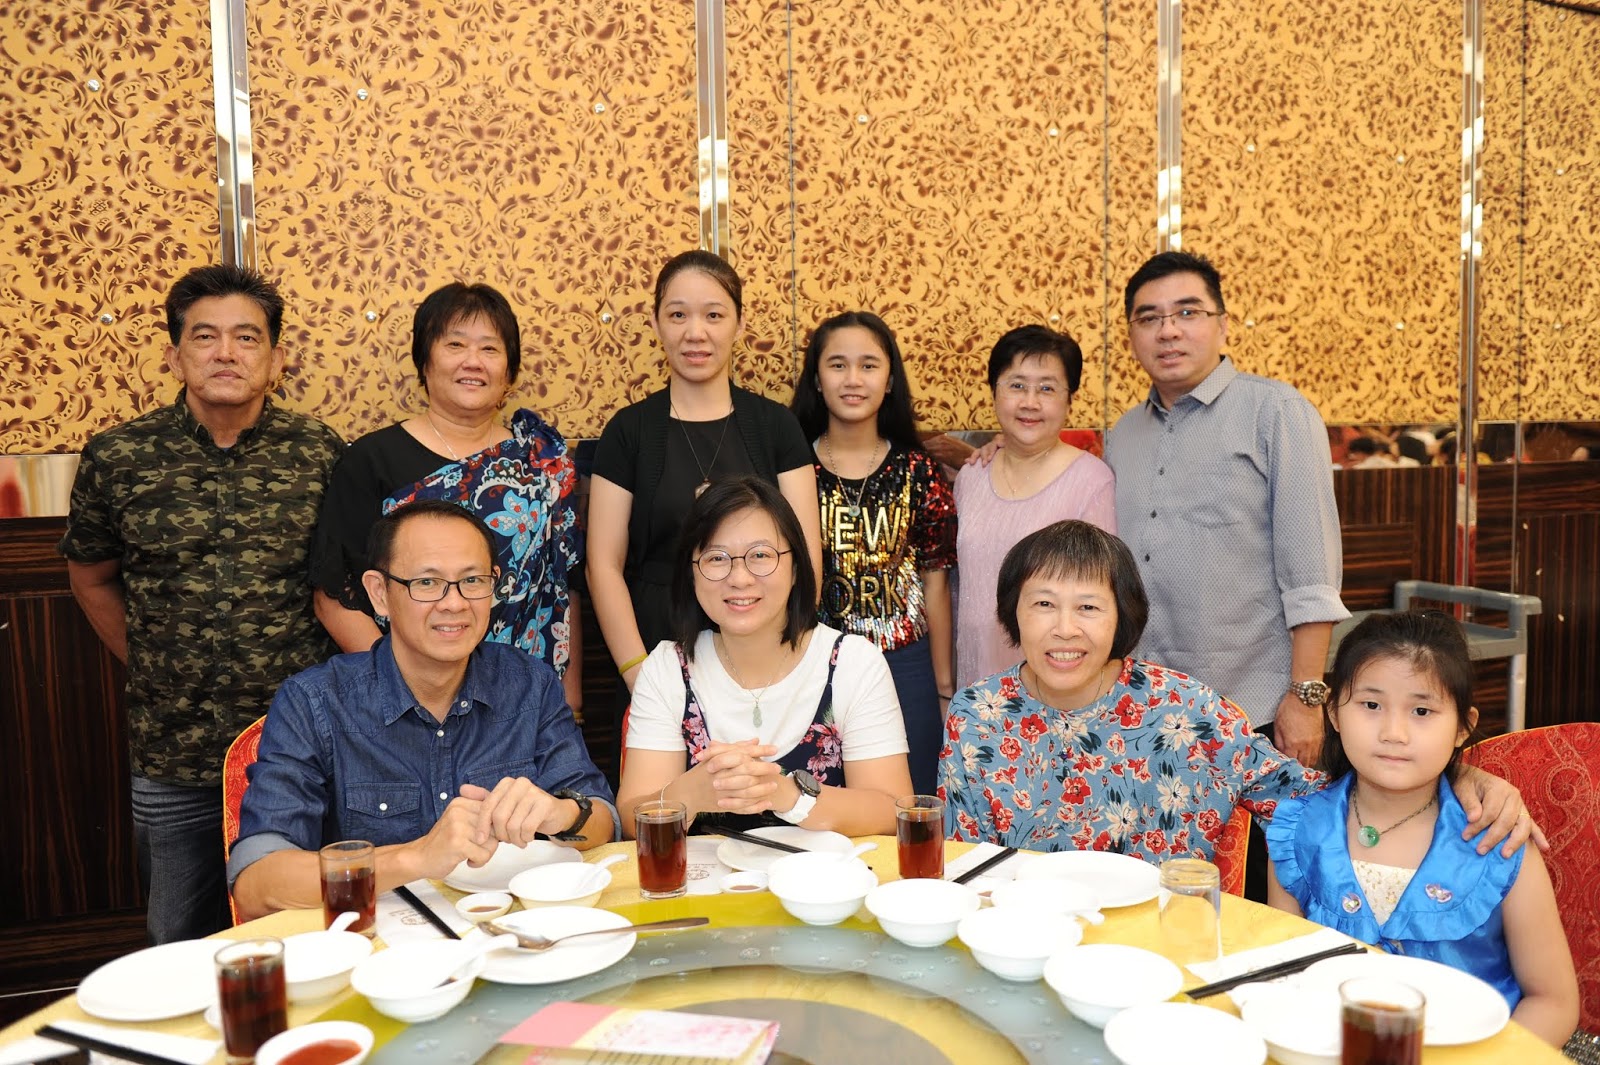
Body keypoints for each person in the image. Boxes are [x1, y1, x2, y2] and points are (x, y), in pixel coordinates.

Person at [940, 521, 1538, 865]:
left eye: (1089, 608)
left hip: (1162, 955)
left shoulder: (1184, 712)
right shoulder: (978, 717)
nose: (1065, 629)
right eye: (1043, 604)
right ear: (1012, 613)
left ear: (1122, 617)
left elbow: (1314, 799)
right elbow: (960, 862)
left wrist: (1456, 775)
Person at [60, 264, 344, 943]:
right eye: (204, 336)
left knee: (307, 933)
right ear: (174, 355)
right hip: (172, 750)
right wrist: (152, 664)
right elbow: (89, 576)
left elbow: (342, 589)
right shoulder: (119, 457)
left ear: (277, 358)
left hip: (294, 747)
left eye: (247, 337)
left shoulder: (319, 454)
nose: (225, 353)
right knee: (179, 940)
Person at [229, 501, 616, 920]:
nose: (454, 603)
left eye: (472, 580)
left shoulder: (528, 684)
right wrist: (416, 857)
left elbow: (604, 821)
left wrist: (561, 813)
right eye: (427, 582)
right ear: (379, 593)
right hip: (378, 944)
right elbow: (256, 883)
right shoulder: (314, 702)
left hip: (511, 931)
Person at [1267, 611, 1577, 1047]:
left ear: (1462, 727)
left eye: (1422, 711)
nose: (1394, 733)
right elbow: (1285, 979)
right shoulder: (1296, 833)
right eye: (1371, 705)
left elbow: (1553, 1001)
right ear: (1334, 712)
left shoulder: (1500, 842)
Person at [1105, 251, 1349, 767]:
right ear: (1131, 336)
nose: (1169, 331)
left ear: (1223, 325)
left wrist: (1306, 699)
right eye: (1149, 318)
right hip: (1143, 706)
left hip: (1252, 709)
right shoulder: (1123, 435)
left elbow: (1312, 579)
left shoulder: (1277, 413)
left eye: (1188, 312)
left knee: (1257, 828)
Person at [310, 283, 583, 713]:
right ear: (425, 361)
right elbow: (334, 595)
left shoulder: (540, 462)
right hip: (403, 702)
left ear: (509, 372)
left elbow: (562, 587)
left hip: (521, 700)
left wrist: (568, 700)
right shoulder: (372, 460)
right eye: (455, 344)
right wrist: (408, 691)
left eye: (489, 348)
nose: (472, 361)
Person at [615, 477, 912, 836]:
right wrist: (691, 793)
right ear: (691, 574)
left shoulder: (853, 663)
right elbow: (632, 819)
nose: (739, 578)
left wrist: (783, 793)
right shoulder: (667, 668)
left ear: (796, 567)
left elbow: (893, 812)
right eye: (716, 558)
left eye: (760, 555)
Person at [589, 251, 821, 703]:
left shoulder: (776, 427)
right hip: (653, 646)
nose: (695, 332)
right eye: (678, 315)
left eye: (714, 315)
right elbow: (603, 565)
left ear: (739, 324)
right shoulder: (628, 431)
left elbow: (806, 556)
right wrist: (640, 675)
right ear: (656, 324)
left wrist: (782, 664)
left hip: (761, 652)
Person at [790, 310, 957, 794]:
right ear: (817, 380)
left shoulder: (919, 471)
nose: (853, 379)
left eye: (868, 365)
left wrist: (943, 688)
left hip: (906, 664)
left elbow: (935, 582)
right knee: (823, 803)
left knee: (911, 802)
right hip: (815, 663)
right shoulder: (792, 470)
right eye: (837, 365)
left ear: (889, 380)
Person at [953, 325, 1115, 689]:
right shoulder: (971, 476)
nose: (1030, 402)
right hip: (976, 678)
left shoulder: (1092, 480)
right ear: (994, 392)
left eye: (1047, 388)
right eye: (1016, 385)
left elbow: (1100, 599)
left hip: (1056, 682)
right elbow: (957, 589)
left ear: (1070, 400)